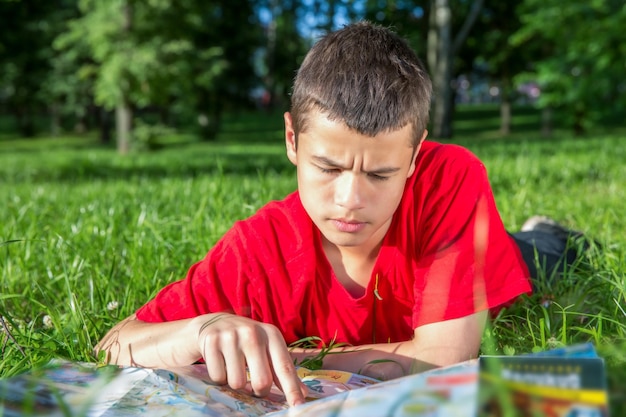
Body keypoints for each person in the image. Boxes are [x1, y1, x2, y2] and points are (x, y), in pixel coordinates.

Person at [95, 22, 580, 407]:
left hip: (488, 255)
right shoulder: (259, 249)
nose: (349, 199)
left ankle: (550, 232)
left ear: (414, 158)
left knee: (547, 252)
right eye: (328, 167)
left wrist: (282, 357)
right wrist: (198, 331)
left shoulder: (448, 177)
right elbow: (115, 346)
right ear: (291, 140)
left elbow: (442, 360)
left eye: (381, 174)